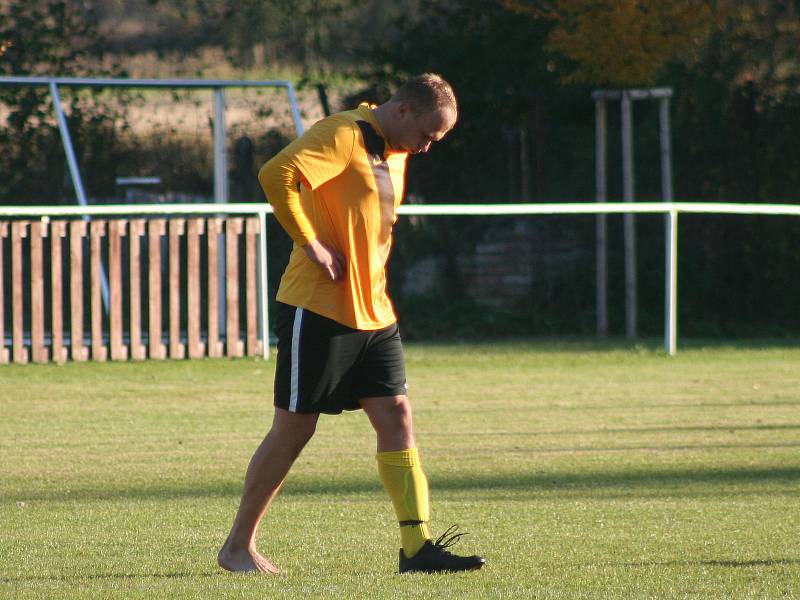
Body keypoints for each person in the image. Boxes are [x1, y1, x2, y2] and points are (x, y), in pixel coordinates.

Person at [217, 73, 485, 575]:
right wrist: (310, 242)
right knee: (294, 429)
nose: (427, 148)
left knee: (396, 416)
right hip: (318, 308)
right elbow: (277, 174)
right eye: (428, 135)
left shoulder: (396, 152)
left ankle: (416, 547)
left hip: (375, 313)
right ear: (404, 110)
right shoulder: (344, 134)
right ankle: (237, 547)